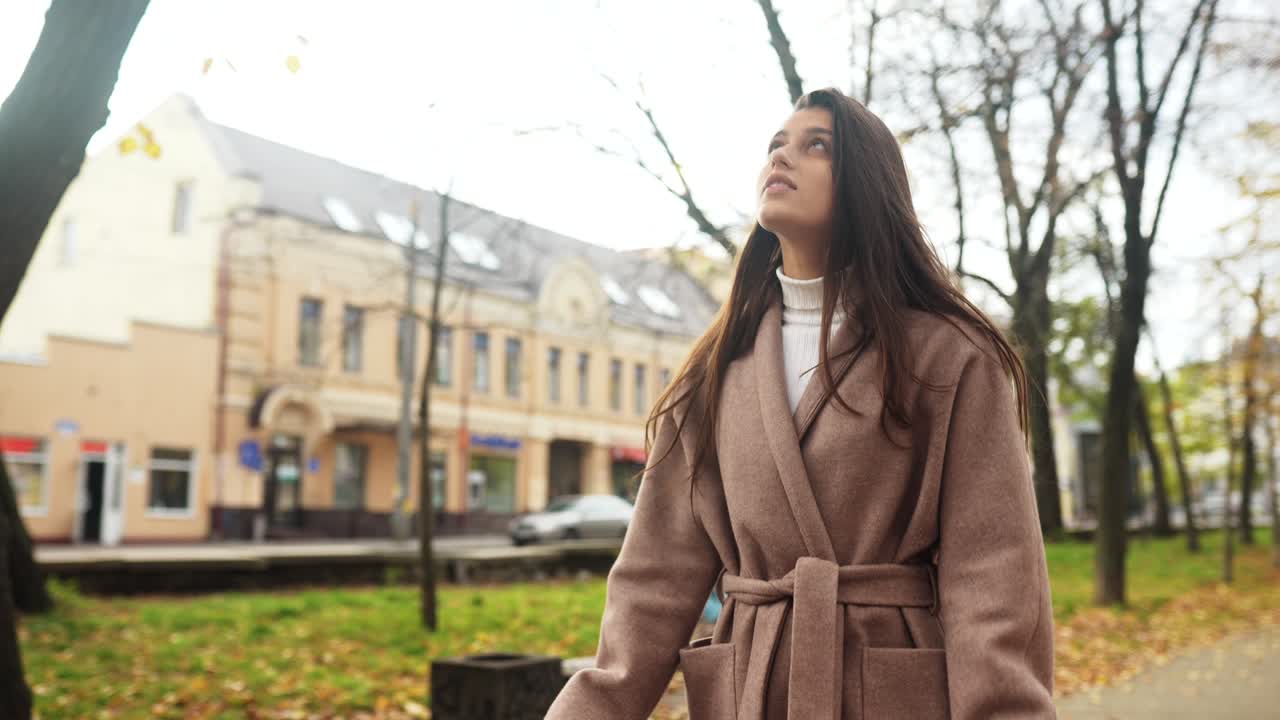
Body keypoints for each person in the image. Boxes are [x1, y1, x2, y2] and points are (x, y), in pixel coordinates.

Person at [545, 87, 1055, 720]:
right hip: (749, 690)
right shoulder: (712, 374)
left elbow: (994, 577)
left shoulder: (947, 356)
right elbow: (652, 578)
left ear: (871, 185)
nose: (783, 157)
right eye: (775, 146)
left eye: (817, 145)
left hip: (892, 689)